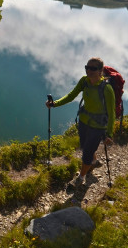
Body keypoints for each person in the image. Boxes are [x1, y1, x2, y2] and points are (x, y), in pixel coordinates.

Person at [46, 57, 115, 188]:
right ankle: (93, 161)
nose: (88, 71)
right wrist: (55, 104)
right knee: (84, 146)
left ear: (100, 70)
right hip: (84, 121)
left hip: (98, 126)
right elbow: (71, 95)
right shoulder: (84, 81)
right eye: (87, 67)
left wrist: (109, 134)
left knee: (87, 153)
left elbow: (112, 114)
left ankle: (81, 177)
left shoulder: (107, 89)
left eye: (93, 68)